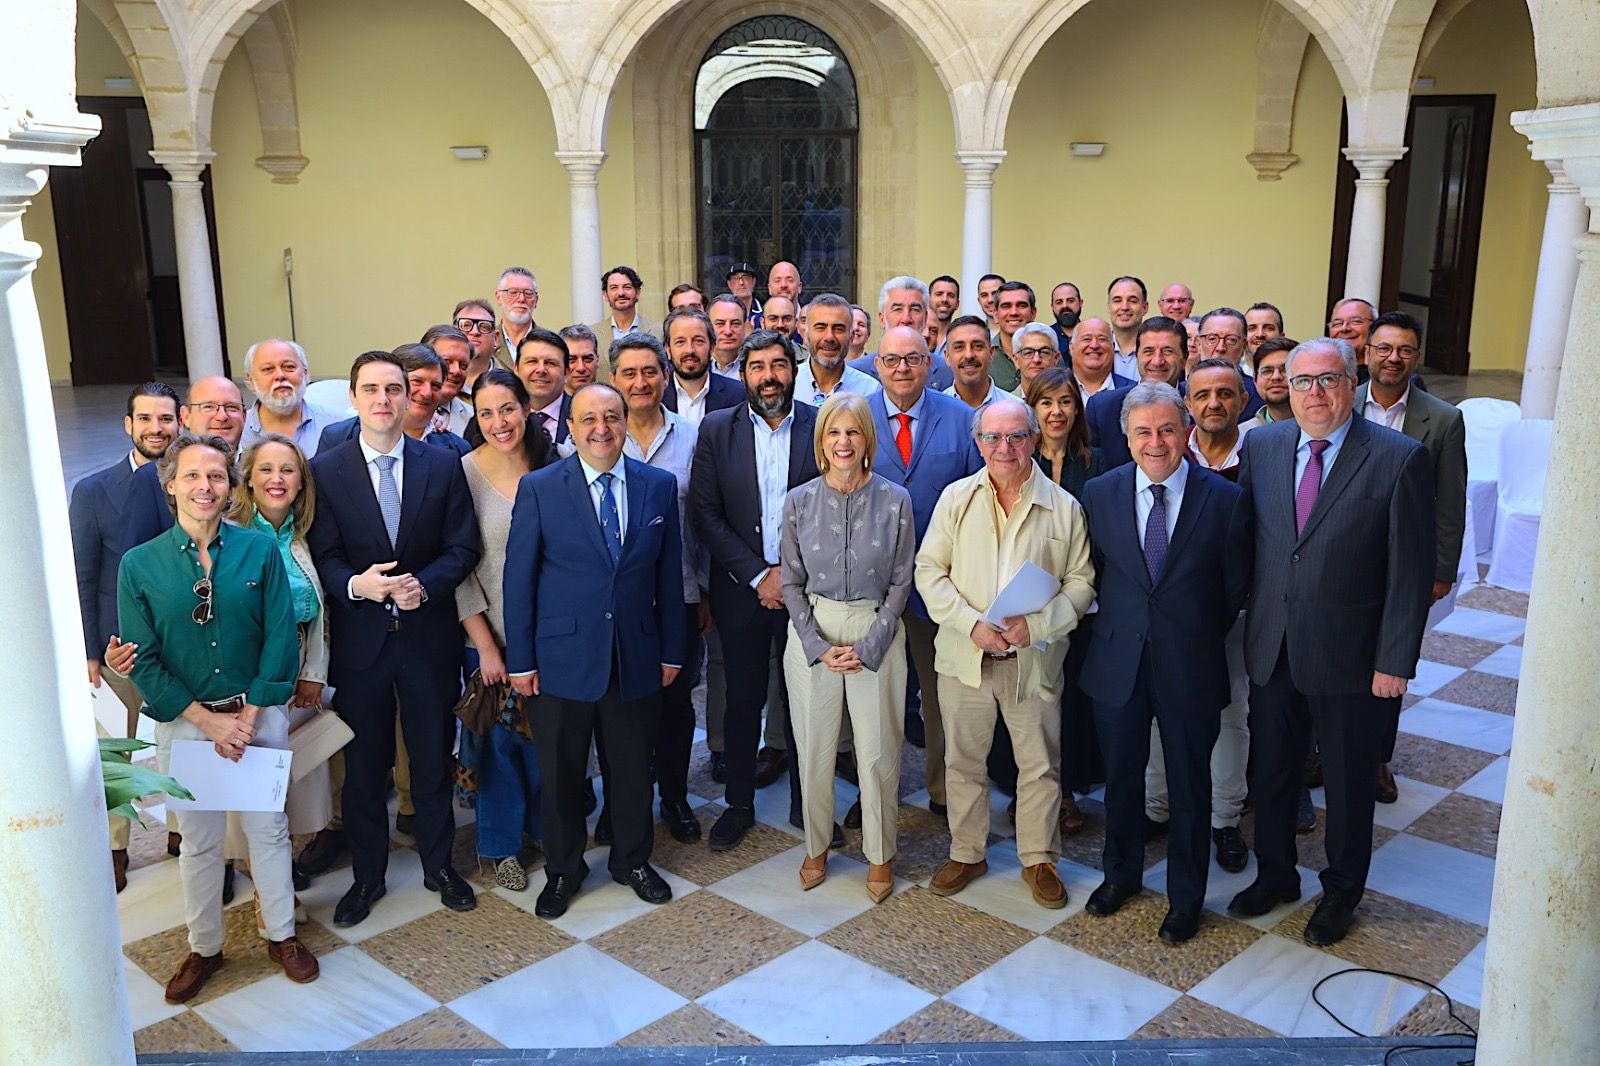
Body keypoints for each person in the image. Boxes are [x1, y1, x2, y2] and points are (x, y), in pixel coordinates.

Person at [1231, 337, 1433, 946]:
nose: (1314, 393)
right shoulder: (1262, 445)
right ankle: (1275, 875)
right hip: (1273, 646)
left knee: (1347, 784)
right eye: (1302, 381)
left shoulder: (1399, 457)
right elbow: (1255, 541)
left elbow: (1409, 572)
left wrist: (1394, 660)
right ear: (1285, 388)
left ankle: (1342, 892)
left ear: (1352, 383)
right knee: (1273, 772)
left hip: (1353, 657)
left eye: (1328, 380)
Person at [117, 433, 315, 1001]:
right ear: (170, 485)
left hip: (256, 716)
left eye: (216, 476)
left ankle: (282, 935)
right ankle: (204, 946)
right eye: (192, 476)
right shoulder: (139, 565)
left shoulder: (259, 551)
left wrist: (247, 716)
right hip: (187, 725)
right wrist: (209, 723)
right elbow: (143, 659)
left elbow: (281, 636)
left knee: (268, 832)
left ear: (230, 486)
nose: (205, 486)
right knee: (198, 842)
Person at [308, 350, 482, 927]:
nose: (383, 399)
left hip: (426, 640)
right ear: (353, 398)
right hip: (360, 646)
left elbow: (463, 546)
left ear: (408, 398)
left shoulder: (442, 465)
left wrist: (424, 586)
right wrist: (355, 585)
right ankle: (367, 877)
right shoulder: (325, 470)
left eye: (393, 389)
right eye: (371, 389)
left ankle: (439, 866)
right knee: (364, 769)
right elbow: (323, 553)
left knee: (431, 759)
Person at [505, 383, 687, 918]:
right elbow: (519, 579)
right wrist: (521, 660)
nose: (601, 429)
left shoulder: (658, 485)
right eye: (588, 419)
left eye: (611, 417)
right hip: (560, 659)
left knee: (632, 769)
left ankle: (632, 860)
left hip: (635, 655)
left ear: (626, 422)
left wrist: (671, 651)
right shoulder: (541, 488)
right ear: (571, 427)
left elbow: (669, 575)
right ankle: (564, 869)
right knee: (562, 774)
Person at [1079, 383, 1251, 943]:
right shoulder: (1100, 493)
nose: (1156, 442)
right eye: (1143, 432)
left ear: (1186, 432)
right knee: (1121, 781)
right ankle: (1120, 876)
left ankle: (1185, 898)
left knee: (1190, 787)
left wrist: (1189, 632)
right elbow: (1095, 571)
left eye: (1167, 430)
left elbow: (1233, 588)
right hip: (1118, 662)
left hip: (1191, 664)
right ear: (1127, 438)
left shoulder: (1224, 499)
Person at [916, 399, 1096, 909]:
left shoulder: (1064, 506)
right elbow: (929, 571)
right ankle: (966, 852)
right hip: (966, 656)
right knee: (963, 762)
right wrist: (970, 624)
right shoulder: (955, 499)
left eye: (1016, 436)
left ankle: (1039, 858)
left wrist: (1035, 625)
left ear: (1034, 440)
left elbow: (1081, 583)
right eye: (993, 438)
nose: (1005, 448)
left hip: (1031, 660)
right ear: (979, 444)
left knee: (1039, 765)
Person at [689, 329, 821, 850]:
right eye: (758, 367)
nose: (769, 377)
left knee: (803, 700)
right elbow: (705, 512)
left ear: (794, 370)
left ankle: (806, 803)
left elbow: (833, 508)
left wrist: (788, 575)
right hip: (740, 590)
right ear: (742, 374)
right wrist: (757, 574)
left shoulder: (819, 424)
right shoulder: (716, 429)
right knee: (741, 700)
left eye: (778, 365)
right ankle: (738, 804)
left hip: (805, 591)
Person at [781, 394, 915, 902]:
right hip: (813, 630)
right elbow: (790, 583)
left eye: (853, 432)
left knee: (878, 752)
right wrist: (817, 645)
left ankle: (880, 855)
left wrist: (872, 642)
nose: (843, 442)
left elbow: (902, 580)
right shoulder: (799, 501)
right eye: (833, 433)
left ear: (867, 440)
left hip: (876, 627)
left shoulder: (896, 500)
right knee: (814, 749)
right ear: (821, 443)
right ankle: (816, 846)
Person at [868, 326, 983, 815]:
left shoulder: (962, 419)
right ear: (877, 365)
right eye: (892, 359)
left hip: (940, 585)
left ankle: (943, 788)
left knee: (940, 698)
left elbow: (978, 498)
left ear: (930, 364)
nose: (902, 368)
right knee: (877, 697)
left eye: (913, 358)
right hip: (872, 586)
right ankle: (875, 795)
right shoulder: (856, 418)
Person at [72, 381, 180, 890]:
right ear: (128, 425)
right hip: (118, 647)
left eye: (166, 419)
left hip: (181, 643)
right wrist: (89, 650)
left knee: (182, 742)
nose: (156, 429)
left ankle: (182, 829)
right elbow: (83, 573)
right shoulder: (93, 491)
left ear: (180, 422)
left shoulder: (196, 479)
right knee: (114, 750)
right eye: (146, 419)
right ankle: (115, 847)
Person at [1358, 311, 1467, 804]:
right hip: (1344, 558)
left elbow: (1450, 502)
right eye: (1383, 348)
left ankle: (1377, 757)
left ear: (1416, 357)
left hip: (1403, 564)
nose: (1393, 358)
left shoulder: (1442, 420)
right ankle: (1322, 749)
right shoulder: (1342, 402)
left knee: (1392, 658)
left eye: (1403, 350)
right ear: (1367, 352)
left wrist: (1441, 572)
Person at [456, 368, 555, 891]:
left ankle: (543, 830)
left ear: (526, 408)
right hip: (490, 640)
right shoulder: (464, 474)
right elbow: (459, 568)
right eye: (486, 413)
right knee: (498, 749)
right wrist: (485, 647)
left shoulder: (555, 465)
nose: (499, 422)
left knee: (546, 745)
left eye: (508, 409)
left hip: (552, 639)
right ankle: (501, 846)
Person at [225, 435, 335, 894]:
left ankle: (280, 861)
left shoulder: (304, 536)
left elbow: (318, 615)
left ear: (301, 481)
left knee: (289, 775)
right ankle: (259, 880)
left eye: (287, 470)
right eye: (265, 469)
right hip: (246, 679)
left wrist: (312, 674)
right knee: (252, 780)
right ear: (247, 480)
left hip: (297, 673)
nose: (277, 479)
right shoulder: (228, 535)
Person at [613, 334, 704, 843]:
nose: (641, 382)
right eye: (629, 373)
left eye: (650, 371)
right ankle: (625, 801)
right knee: (621, 706)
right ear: (614, 380)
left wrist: (705, 592)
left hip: (679, 595)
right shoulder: (596, 437)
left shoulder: (694, 438)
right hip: (616, 602)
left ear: (665, 377)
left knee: (675, 703)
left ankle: (673, 795)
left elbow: (705, 519)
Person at [1024, 367, 1105, 832]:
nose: (1056, 412)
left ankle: (1067, 790)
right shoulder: (1017, 457)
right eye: (1046, 402)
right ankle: (1029, 786)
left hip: (1081, 603)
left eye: (1065, 402)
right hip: (1026, 601)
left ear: (1077, 409)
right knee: (1030, 698)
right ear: (1032, 409)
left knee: (1071, 699)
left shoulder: (1098, 463)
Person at [120, 376, 248, 554]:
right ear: (185, 417)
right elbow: (138, 558)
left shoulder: (262, 470)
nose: (222, 416)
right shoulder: (150, 478)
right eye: (208, 407)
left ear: (244, 415)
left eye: (231, 407)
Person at [318, 343, 472, 457]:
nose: (427, 393)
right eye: (417, 381)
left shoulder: (457, 449)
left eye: (435, 385)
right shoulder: (337, 437)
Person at [1086, 316, 1187, 469]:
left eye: (1168, 351)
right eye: (1148, 351)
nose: (1157, 361)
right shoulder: (1102, 409)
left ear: (1184, 358)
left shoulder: (1198, 406)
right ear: (1137, 355)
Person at [241, 339, 342, 456]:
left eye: (289, 367)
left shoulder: (340, 426)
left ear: (305, 374)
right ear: (251, 380)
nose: (280, 375)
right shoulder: (237, 429)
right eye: (268, 369)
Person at [661, 307, 744, 425]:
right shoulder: (655, 396)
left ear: (712, 347)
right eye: (680, 342)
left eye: (698, 341)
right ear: (668, 349)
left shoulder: (739, 395)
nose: (689, 350)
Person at [797, 293, 881, 403]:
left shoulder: (870, 390)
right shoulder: (788, 385)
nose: (829, 337)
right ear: (807, 334)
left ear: (851, 336)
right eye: (820, 328)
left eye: (838, 329)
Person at [1184, 358, 1249, 475]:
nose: (1214, 404)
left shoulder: (1259, 455)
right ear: (1189, 405)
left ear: (1243, 402)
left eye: (1225, 394)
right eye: (1202, 396)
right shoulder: (1174, 451)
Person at [515, 328, 575, 450]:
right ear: (516, 369)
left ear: (566, 373)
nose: (541, 370)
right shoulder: (500, 416)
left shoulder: (583, 415)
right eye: (532, 361)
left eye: (551, 363)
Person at [942, 315, 1005, 410]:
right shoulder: (933, 412)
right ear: (947, 356)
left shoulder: (1017, 409)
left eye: (978, 346)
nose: (969, 355)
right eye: (959, 347)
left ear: (991, 353)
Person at [423, 324, 476, 436]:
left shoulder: (474, 419)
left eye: (463, 365)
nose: (456, 371)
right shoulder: (397, 411)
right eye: (447, 362)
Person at [592, 266, 661, 348]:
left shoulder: (659, 331)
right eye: (614, 288)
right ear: (606, 295)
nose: (621, 293)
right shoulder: (593, 333)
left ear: (637, 293)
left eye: (627, 287)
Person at [1068, 317, 1133, 400]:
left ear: (1113, 347)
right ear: (1072, 347)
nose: (1094, 345)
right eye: (1087, 339)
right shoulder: (1056, 389)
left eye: (1102, 339)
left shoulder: (1133, 391)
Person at [990, 282, 1039, 392]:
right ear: (995, 315)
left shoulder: (1048, 354)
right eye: (1006, 306)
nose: (1014, 312)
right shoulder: (985, 357)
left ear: (1033, 313)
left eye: (1021, 305)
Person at [1240, 336, 1296, 430]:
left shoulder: (1319, 429)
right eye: (1267, 371)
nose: (1276, 377)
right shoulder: (1242, 434)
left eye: (1285, 370)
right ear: (1255, 380)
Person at [1107, 276, 1149, 381]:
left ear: (1144, 307)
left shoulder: (1156, 351)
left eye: (1133, 301)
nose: (1125, 307)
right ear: (1109, 307)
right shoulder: (1098, 350)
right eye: (1117, 301)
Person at [495, 267, 540, 360]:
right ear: (498, 298)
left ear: (536, 300)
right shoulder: (487, 343)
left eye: (528, 293)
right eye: (513, 292)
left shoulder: (551, 344)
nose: (521, 299)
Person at [1009, 321, 1064, 398]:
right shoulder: (1004, 403)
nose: (1036, 359)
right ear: (1016, 360)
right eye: (1028, 352)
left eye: (1044, 352)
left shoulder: (1071, 403)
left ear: (1056, 358)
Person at [452, 297, 502, 379]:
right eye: (466, 325)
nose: (475, 332)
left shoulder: (511, 384)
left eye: (484, 326)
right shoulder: (436, 381)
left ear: (496, 338)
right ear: (452, 333)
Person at [707, 293, 749, 378]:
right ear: (707, 327)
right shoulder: (697, 364)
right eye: (720, 324)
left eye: (735, 323)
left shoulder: (756, 365)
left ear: (744, 327)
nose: (728, 331)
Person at [559, 324, 603, 393]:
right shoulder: (546, 399)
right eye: (571, 360)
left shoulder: (612, 399)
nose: (581, 368)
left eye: (587, 359)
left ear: (597, 360)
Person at [726, 261, 762, 325]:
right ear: (729, 284)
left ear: (753, 281)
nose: (741, 283)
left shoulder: (765, 310)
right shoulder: (722, 312)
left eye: (746, 277)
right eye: (735, 278)